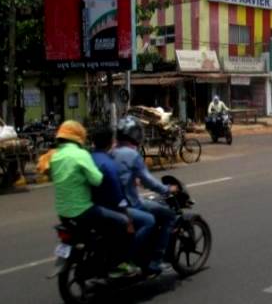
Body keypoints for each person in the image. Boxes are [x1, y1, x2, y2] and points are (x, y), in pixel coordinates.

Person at [48, 120, 138, 278]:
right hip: (84, 211)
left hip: (63, 213)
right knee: (123, 221)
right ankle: (118, 264)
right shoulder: (81, 155)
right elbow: (96, 180)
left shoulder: (55, 156)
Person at [112, 116, 178, 275]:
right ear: (135, 135)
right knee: (168, 215)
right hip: (128, 204)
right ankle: (155, 260)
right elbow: (149, 181)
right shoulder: (133, 155)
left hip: (113, 202)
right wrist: (167, 189)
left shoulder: (112, 151)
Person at [91, 125, 155, 269]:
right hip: (110, 207)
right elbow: (118, 194)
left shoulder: (89, 157)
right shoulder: (109, 163)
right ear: (110, 141)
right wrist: (127, 217)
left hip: (93, 205)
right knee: (149, 220)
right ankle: (129, 258)